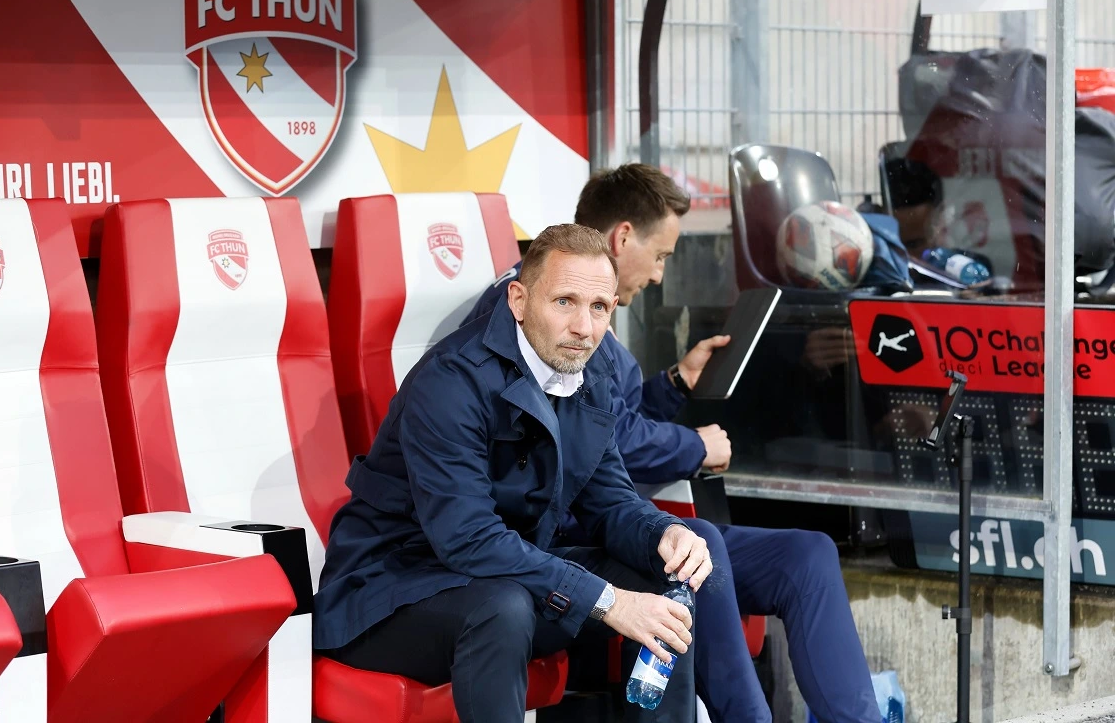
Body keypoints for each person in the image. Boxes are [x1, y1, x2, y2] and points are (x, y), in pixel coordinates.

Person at [464, 163, 882, 723]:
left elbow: (610, 423)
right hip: (571, 538)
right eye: (661, 255)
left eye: (594, 308)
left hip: (623, 518)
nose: (661, 275)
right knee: (695, 545)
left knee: (807, 555)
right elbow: (591, 437)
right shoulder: (531, 316)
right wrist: (694, 447)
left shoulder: (591, 323)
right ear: (623, 237)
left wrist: (676, 383)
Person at [314, 224, 715, 723]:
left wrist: (664, 533)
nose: (584, 327)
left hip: (504, 578)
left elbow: (611, 502)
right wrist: (608, 601)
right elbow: (468, 538)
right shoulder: (450, 380)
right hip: (386, 592)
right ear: (518, 301)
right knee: (502, 606)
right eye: (564, 302)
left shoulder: (590, 374)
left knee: (666, 573)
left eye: (598, 308)